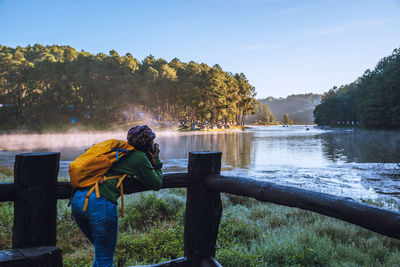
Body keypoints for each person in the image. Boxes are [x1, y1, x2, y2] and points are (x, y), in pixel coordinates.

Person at [71, 125, 163, 267]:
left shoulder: (118, 150)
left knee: (101, 254)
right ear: (148, 144)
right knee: (105, 259)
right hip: (98, 204)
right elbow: (156, 183)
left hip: (77, 201)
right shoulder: (138, 157)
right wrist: (156, 160)